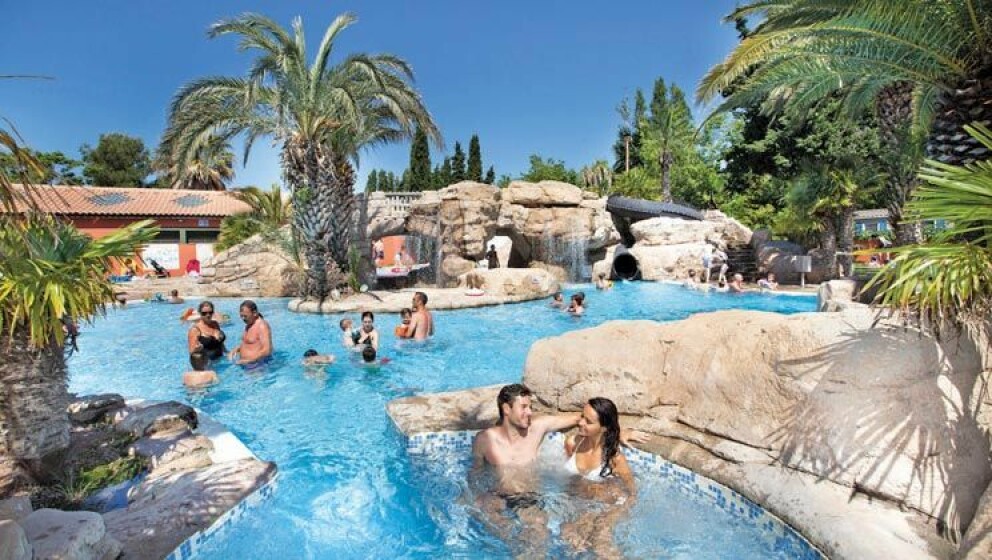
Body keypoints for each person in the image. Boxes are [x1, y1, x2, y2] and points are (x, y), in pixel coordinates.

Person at [470, 384, 646, 554]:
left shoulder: (537, 427)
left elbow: (587, 419)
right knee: (504, 534)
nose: (530, 412)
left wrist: (619, 433)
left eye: (530, 407)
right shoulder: (484, 440)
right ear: (506, 409)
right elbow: (475, 473)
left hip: (527, 498)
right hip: (495, 495)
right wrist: (476, 496)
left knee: (537, 540)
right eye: (524, 407)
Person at [561, 397, 636, 557]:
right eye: (582, 416)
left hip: (607, 507)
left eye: (588, 421)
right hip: (583, 503)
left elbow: (632, 493)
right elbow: (569, 480)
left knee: (601, 546)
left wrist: (612, 517)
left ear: (603, 427)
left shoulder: (614, 459)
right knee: (570, 537)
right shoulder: (572, 443)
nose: (581, 423)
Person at [228, 300, 272, 365]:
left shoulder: (262, 326)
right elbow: (250, 343)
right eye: (241, 316)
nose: (243, 319)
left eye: (245, 316)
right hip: (247, 364)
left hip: (258, 365)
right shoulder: (249, 323)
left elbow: (267, 350)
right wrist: (236, 349)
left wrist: (248, 361)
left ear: (254, 313)